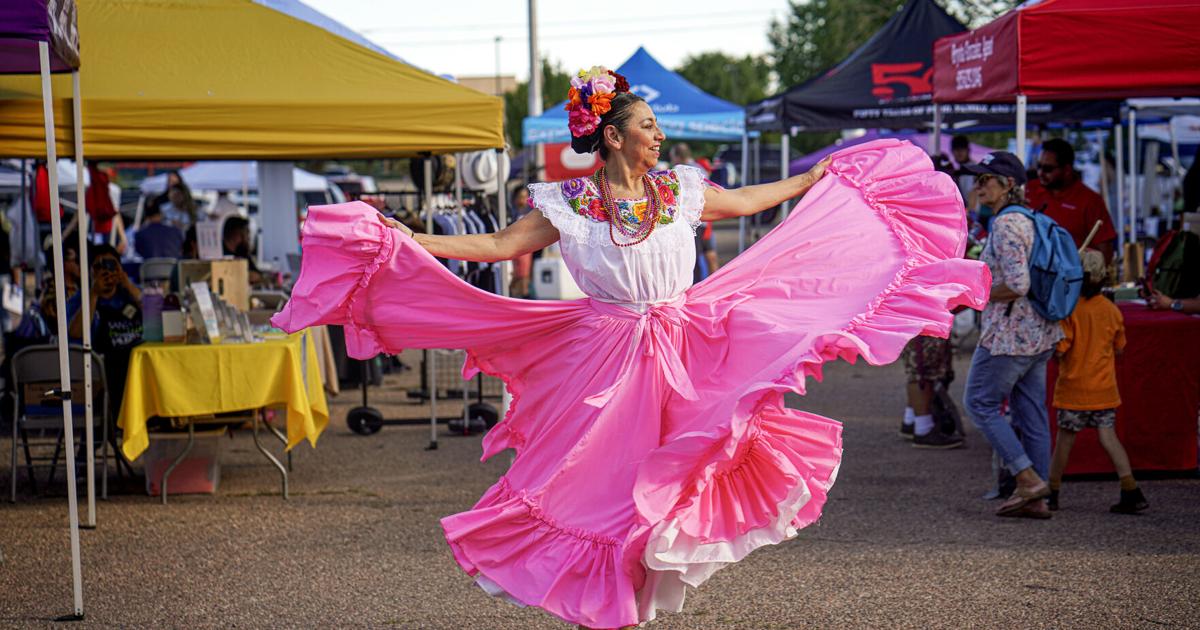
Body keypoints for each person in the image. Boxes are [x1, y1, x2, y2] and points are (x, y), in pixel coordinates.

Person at [271, 66, 989, 628]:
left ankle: (632, 601)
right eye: (646, 126)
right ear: (613, 136)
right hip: (604, 355)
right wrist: (411, 238)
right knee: (599, 487)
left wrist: (811, 179)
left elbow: (747, 203)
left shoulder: (678, 188)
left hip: (687, 339)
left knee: (688, 468)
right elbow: (494, 246)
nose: (657, 135)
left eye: (654, 126)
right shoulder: (566, 202)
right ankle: (603, 606)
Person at [962, 151, 1061, 520]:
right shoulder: (1029, 219)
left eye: (986, 179)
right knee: (1031, 412)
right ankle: (1039, 496)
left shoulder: (1005, 225)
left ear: (1008, 185)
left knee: (979, 403)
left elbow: (1018, 284)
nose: (978, 185)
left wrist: (975, 295)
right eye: (977, 179)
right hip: (1039, 333)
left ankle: (1027, 477)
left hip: (1010, 336)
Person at [1047, 249, 1148, 514]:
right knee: (1109, 438)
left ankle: (1052, 491)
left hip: (1074, 388)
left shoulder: (1070, 311)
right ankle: (1130, 489)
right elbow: (1120, 347)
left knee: (1065, 441)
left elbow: (1061, 348)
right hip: (1103, 389)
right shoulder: (1111, 310)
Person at [68, 244, 142, 419]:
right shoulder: (82, 298)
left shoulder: (130, 293)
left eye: (111, 265)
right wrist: (94, 294)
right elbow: (75, 333)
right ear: (91, 271)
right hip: (107, 371)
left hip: (139, 363)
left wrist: (127, 283)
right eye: (99, 266)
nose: (106, 271)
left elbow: (155, 316)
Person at [1027, 138, 1117, 262]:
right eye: (1039, 166)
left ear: (1067, 170)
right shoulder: (1029, 190)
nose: (1040, 173)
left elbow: (1106, 252)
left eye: (1048, 169)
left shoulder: (1090, 201)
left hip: (1072, 276)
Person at [670, 143, 721, 282]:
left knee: (693, 259)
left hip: (693, 222)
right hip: (705, 221)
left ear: (678, 157)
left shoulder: (681, 171)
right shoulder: (700, 169)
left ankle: (696, 288)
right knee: (710, 255)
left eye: (673, 157)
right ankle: (713, 286)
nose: (672, 160)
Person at [899, 335, 961, 448]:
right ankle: (923, 430)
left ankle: (913, 421)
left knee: (922, 369)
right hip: (923, 323)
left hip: (922, 322)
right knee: (922, 371)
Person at [222, 215, 263, 284]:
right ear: (237, 232)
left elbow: (257, 274)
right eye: (247, 231)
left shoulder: (242, 251)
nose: (249, 235)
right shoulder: (220, 251)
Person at [508, 185, 533, 298]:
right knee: (516, 274)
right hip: (514, 249)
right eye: (520, 197)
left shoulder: (529, 214)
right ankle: (517, 295)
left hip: (525, 248)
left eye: (525, 197)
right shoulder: (511, 214)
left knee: (523, 274)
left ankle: (524, 294)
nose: (523, 200)